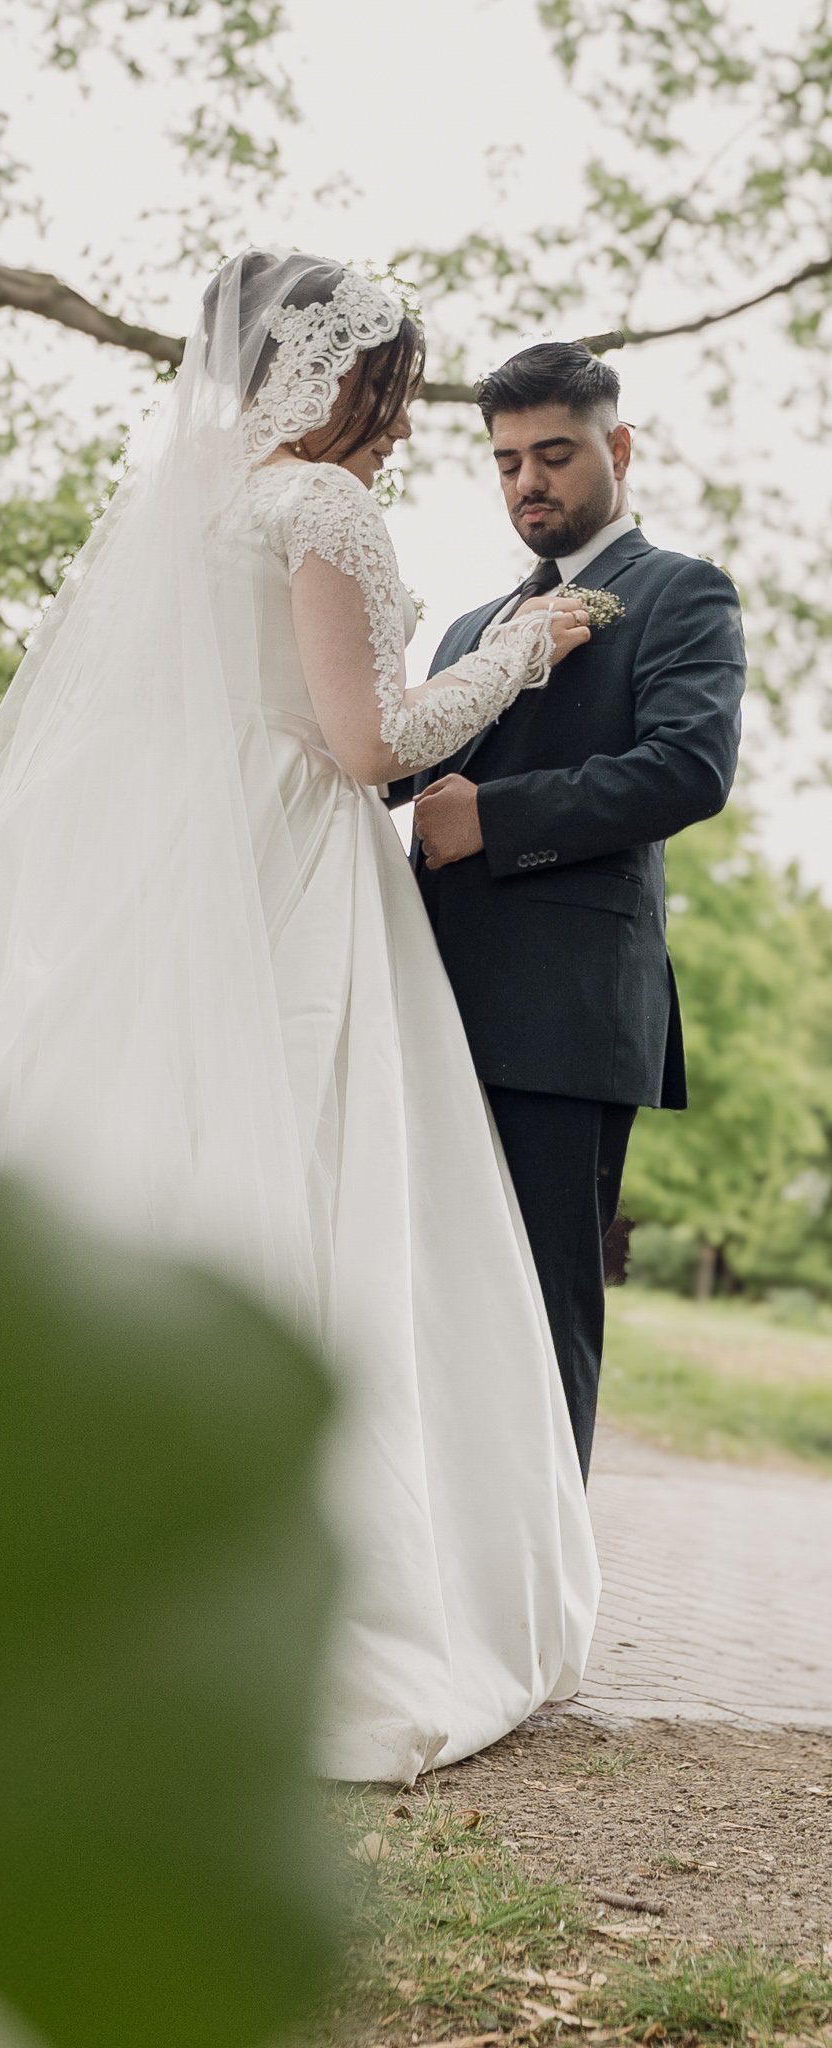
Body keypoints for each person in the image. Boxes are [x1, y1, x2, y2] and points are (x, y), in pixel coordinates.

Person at [0, 250, 600, 1784]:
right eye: (391, 391)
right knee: (307, 1189)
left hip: (152, 862)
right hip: (288, 879)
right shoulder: (317, 506)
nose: (398, 427)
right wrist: (525, 651)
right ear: (334, 375)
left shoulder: (192, 502)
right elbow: (364, 741)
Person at [389, 341, 746, 1480]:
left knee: (544, 1312)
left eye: (553, 454)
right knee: (426, 1304)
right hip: (428, 1006)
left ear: (617, 448)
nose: (527, 483)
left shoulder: (681, 591)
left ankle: (538, 1624)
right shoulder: (465, 628)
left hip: (564, 1021)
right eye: (505, 463)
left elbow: (688, 768)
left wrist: (496, 815)